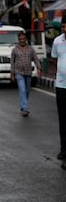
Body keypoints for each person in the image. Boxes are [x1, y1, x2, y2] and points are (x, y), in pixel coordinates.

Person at [10, 31, 42, 117]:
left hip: (28, 73)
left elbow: (35, 59)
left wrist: (39, 68)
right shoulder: (14, 50)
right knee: (22, 90)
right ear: (18, 40)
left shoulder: (31, 49)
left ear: (26, 39)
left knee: (27, 91)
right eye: (20, 39)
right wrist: (12, 74)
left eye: (23, 39)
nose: (22, 40)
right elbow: (12, 62)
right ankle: (25, 108)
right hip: (18, 73)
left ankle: (23, 105)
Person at [51, 15, 66, 167]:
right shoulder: (57, 41)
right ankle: (63, 149)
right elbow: (55, 60)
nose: (65, 29)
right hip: (61, 86)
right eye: (63, 27)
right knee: (63, 119)